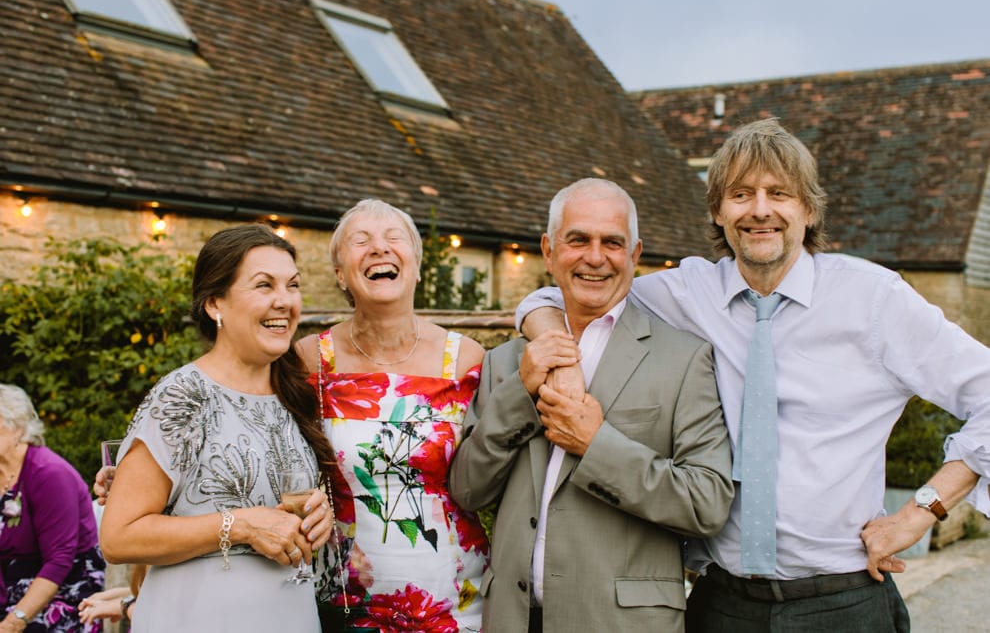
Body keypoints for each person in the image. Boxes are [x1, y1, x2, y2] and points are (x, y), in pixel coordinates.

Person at [516, 119, 990, 632]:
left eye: (778, 194)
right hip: (722, 601)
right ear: (719, 211)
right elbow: (561, 294)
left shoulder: (875, 301)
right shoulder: (686, 294)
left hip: (844, 600)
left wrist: (921, 510)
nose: (759, 209)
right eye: (740, 194)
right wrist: (556, 352)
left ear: (808, 209)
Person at [449, 179, 734, 632]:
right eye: (578, 240)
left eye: (612, 243)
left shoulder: (685, 360)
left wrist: (597, 444)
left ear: (635, 255)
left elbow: (707, 503)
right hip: (512, 619)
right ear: (548, 249)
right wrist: (521, 395)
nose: (595, 257)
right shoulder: (506, 362)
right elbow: (467, 490)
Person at [99, 224, 336, 631]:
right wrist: (240, 525)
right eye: (264, 286)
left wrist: (320, 513)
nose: (284, 301)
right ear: (215, 304)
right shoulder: (184, 396)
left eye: (292, 285)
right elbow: (119, 536)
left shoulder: (296, 393)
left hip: (290, 617)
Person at [294, 198, 488, 632]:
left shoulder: (465, 359)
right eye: (361, 242)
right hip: (346, 599)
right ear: (341, 275)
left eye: (393, 238)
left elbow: (502, 463)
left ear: (417, 266)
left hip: (454, 596)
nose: (379, 248)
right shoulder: (307, 361)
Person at [0, 384, 105, 633]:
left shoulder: (49, 474)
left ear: (16, 429)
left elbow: (59, 561)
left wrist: (12, 624)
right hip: (9, 593)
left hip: (60, 597)